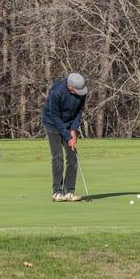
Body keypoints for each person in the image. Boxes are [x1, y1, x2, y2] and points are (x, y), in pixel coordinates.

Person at [42, 72, 88, 201]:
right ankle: (57, 192)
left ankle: (69, 192)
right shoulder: (56, 92)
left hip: (69, 124)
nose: (79, 93)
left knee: (72, 157)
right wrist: (68, 137)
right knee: (58, 157)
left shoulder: (81, 91)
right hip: (52, 124)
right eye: (76, 90)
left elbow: (80, 111)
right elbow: (55, 118)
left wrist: (73, 129)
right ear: (69, 85)